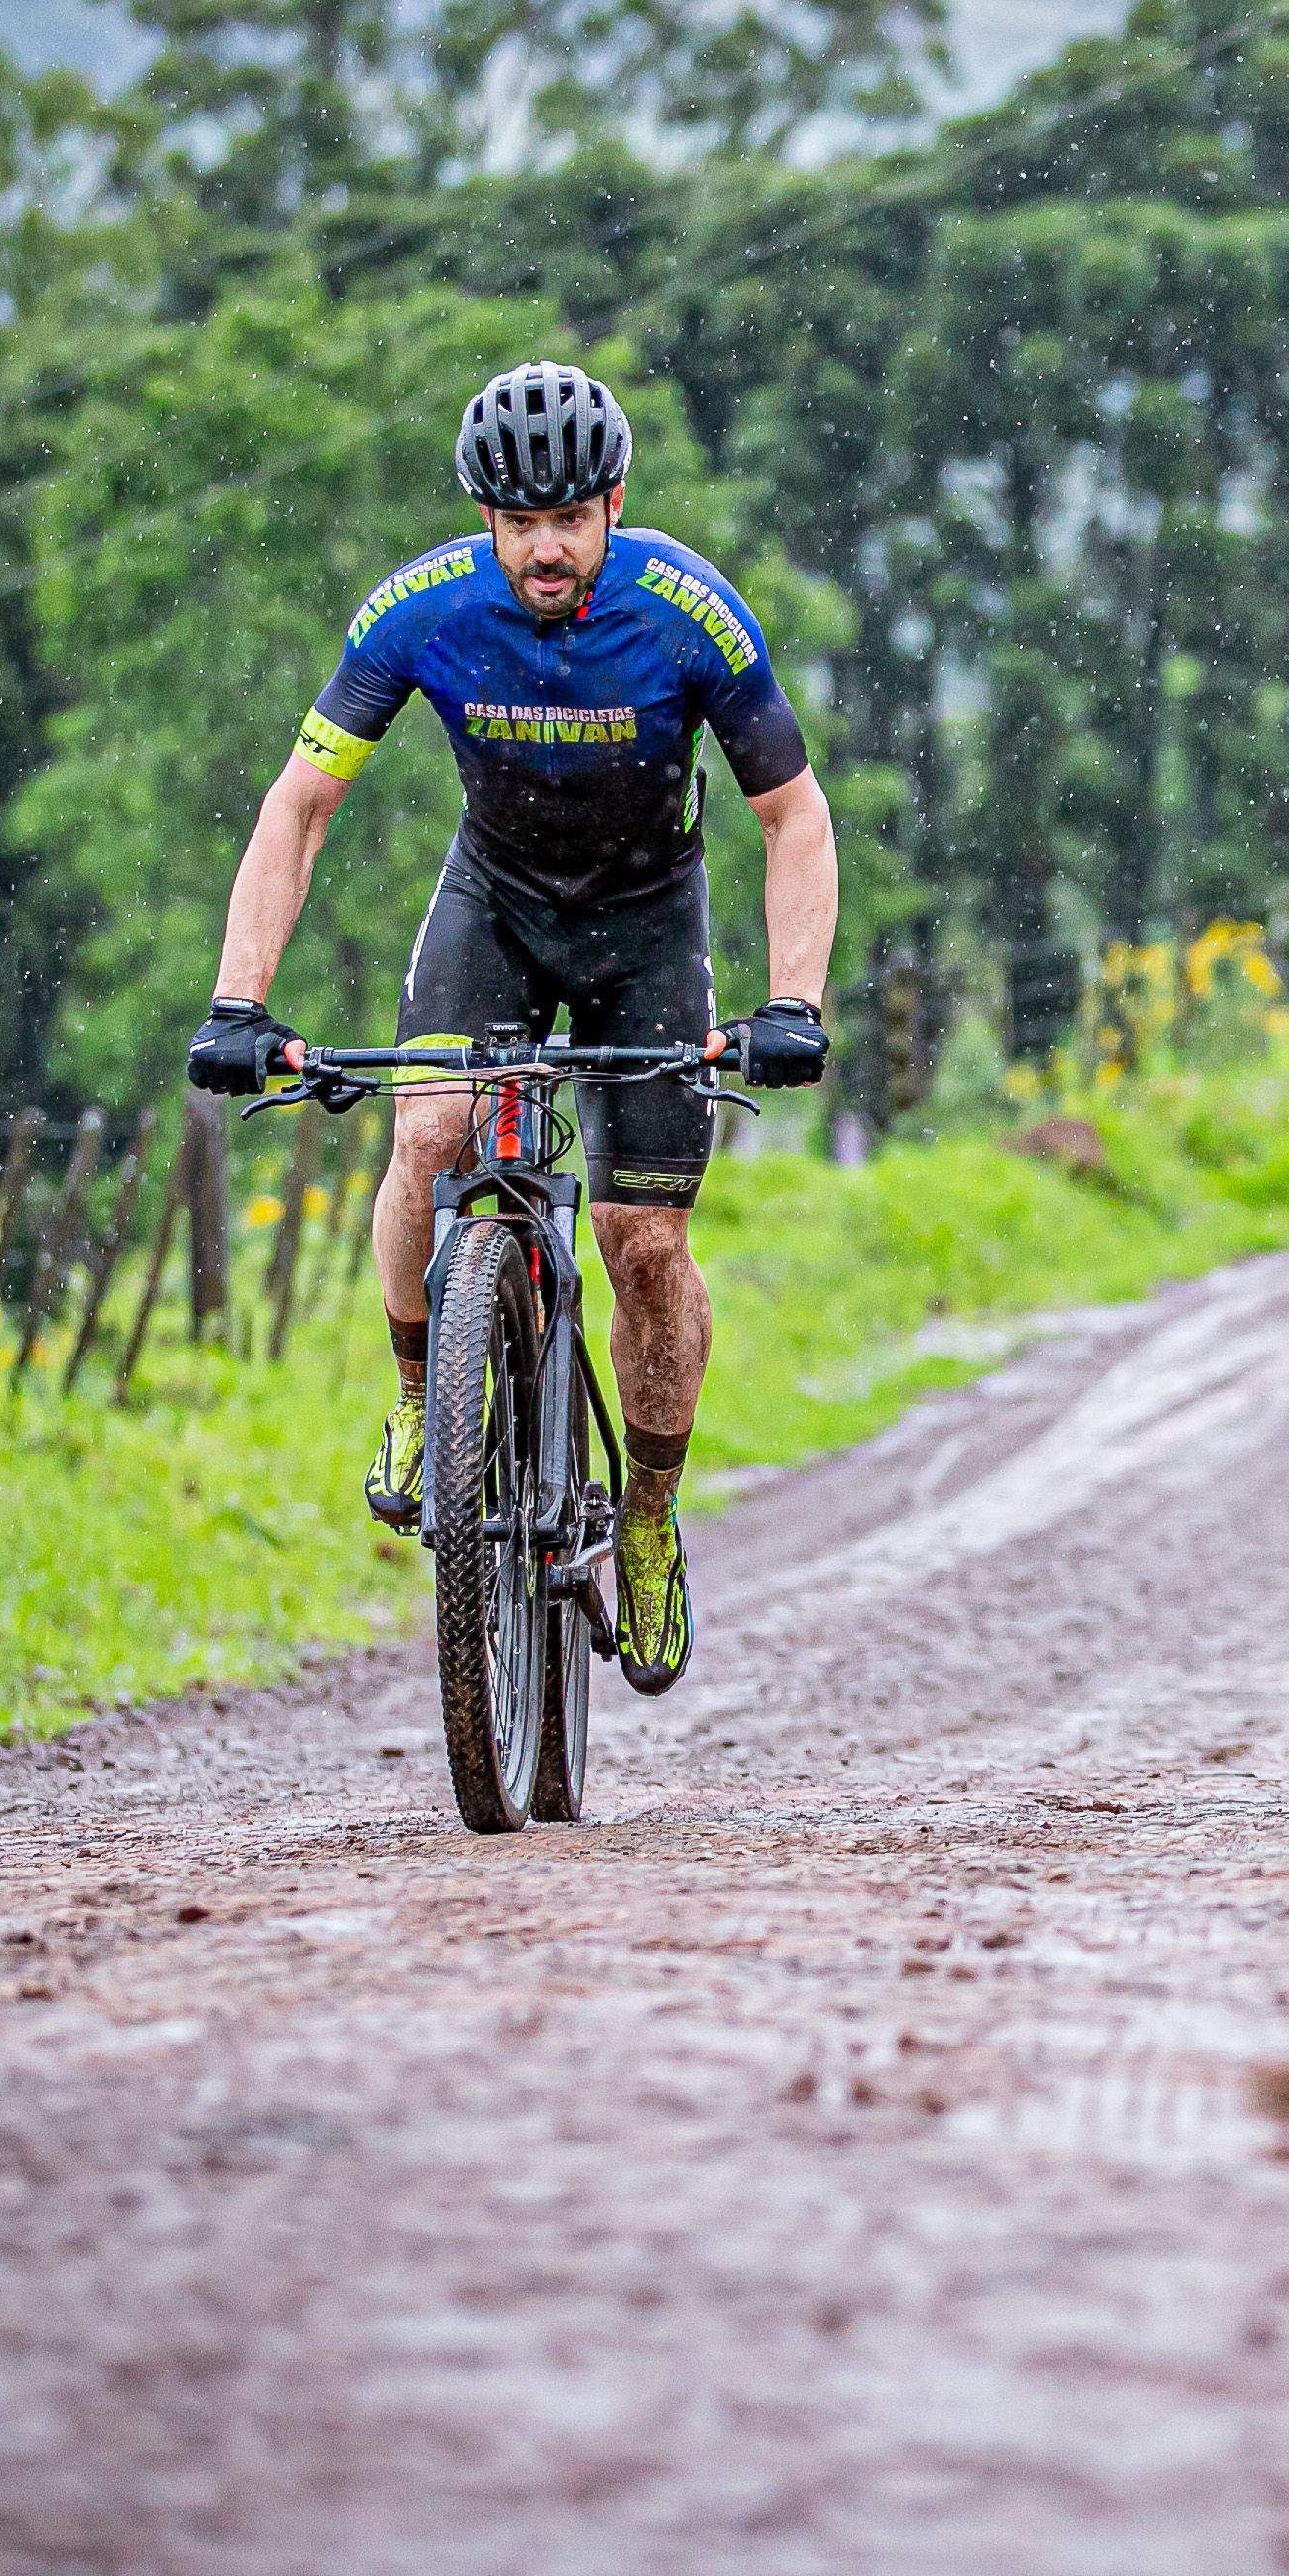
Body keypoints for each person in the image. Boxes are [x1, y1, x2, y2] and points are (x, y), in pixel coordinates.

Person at [186, 361, 839, 1695]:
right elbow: (299, 806)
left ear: (615, 505)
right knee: (428, 1134)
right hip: (494, 907)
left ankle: (646, 1516)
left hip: (647, 927)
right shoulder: (418, 613)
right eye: (521, 522)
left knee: (643, 1243)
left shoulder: (689, 615)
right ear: (487, 517)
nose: (547, 548)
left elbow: (794, 817)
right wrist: (237, 1000)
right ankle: (424, 1400)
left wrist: (794, 1004)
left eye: (571, 519)